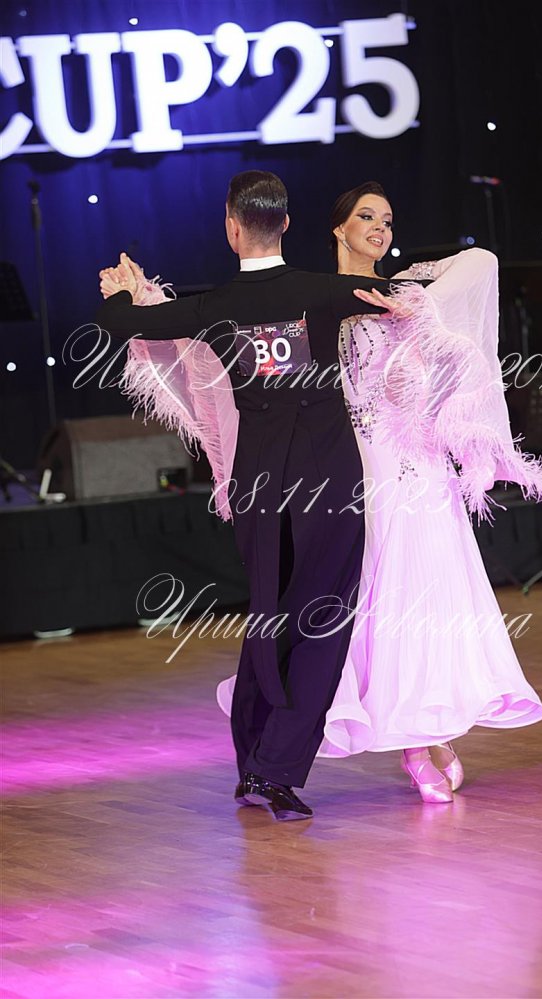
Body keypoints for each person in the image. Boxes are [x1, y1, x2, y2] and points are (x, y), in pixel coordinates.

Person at [216, 181, 542, 803]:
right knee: (385, 606)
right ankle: (410, 740)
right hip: (363, 474)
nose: (379, 227)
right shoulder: (319, 303)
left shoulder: (406, 293)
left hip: (424, 469)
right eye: (366, 216)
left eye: (388, 219)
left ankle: (433, 727)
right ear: (338, 228)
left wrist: (415, 299)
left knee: (437, 599)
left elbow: (482, 262)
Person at [96, 171, 411, 822]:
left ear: (232, 228)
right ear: (287, 225)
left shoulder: (213, 307)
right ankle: (275, 770)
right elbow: (408, 296)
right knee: (321, 624)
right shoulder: (322, 292)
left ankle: (255, 765)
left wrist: (121, 291)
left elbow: (122, 323)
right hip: (329, 484)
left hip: (259, 487)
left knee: (270, 617)